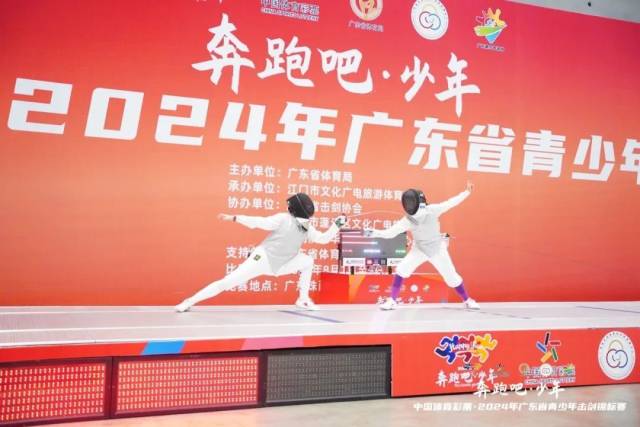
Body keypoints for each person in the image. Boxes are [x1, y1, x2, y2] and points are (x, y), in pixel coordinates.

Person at [175, 193, 346, 312]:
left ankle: (303, 299)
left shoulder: (307, 227)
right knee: (227, 283)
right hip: (262, 259)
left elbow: (323, 239)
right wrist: (236, 217)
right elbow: (259, 222)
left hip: (282, 265)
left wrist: (336, 225)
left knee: (307, 261)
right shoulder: (283, 219)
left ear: (294, 208)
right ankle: (189, 301)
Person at [367, 181, 479, 310]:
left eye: (411, 202)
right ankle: (392, 300)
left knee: (452, 278)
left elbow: (451, 203)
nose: (409, 205)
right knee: (402, 269)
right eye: (407, 202)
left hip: (437, 248)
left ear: (419, 202)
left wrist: (467, 192)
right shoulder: (408, 220)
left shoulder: (433, 210)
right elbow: (390, 233)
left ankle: (467, 300)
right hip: (419, 249)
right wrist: (374, 232)